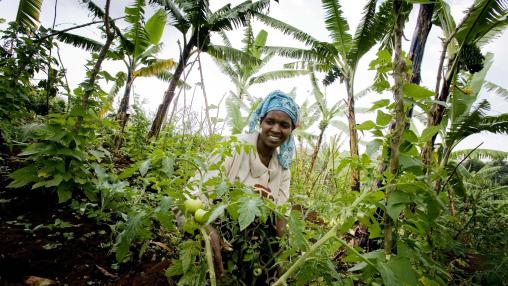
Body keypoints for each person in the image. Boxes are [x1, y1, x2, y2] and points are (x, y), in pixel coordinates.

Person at [194, 90, 300, 282]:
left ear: (292, 130)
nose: (276, 129)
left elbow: (281, 213)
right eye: (270, 121)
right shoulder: (234, 147)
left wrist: (283, 257)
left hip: (254, 241)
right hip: (221, 227)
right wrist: (208, 229)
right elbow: (196, 194)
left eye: (284, 125)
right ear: (260, 122)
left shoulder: (283, 168)